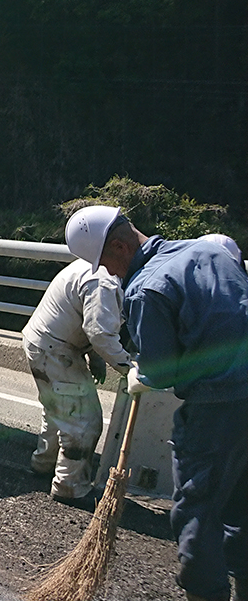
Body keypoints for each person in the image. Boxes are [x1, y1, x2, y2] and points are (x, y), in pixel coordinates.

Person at [67, 205, 248, 601]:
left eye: (107, 263)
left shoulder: (147, 287)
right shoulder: (208, 251)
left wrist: (141, 375)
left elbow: (161, 371)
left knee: (196, 511)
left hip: (219, 407)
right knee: (240, 503)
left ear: (119, 245)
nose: (111, 273)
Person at [21, 255, 132, 505]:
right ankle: (69, 487)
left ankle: (43, 464)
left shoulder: (95, 263)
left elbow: (86, 318)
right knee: (83, 421)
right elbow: (99, 332)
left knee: (58, 410)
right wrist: (129, 368)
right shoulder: (103, 282)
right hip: (56, 350)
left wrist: (96, 357)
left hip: (42, 341)